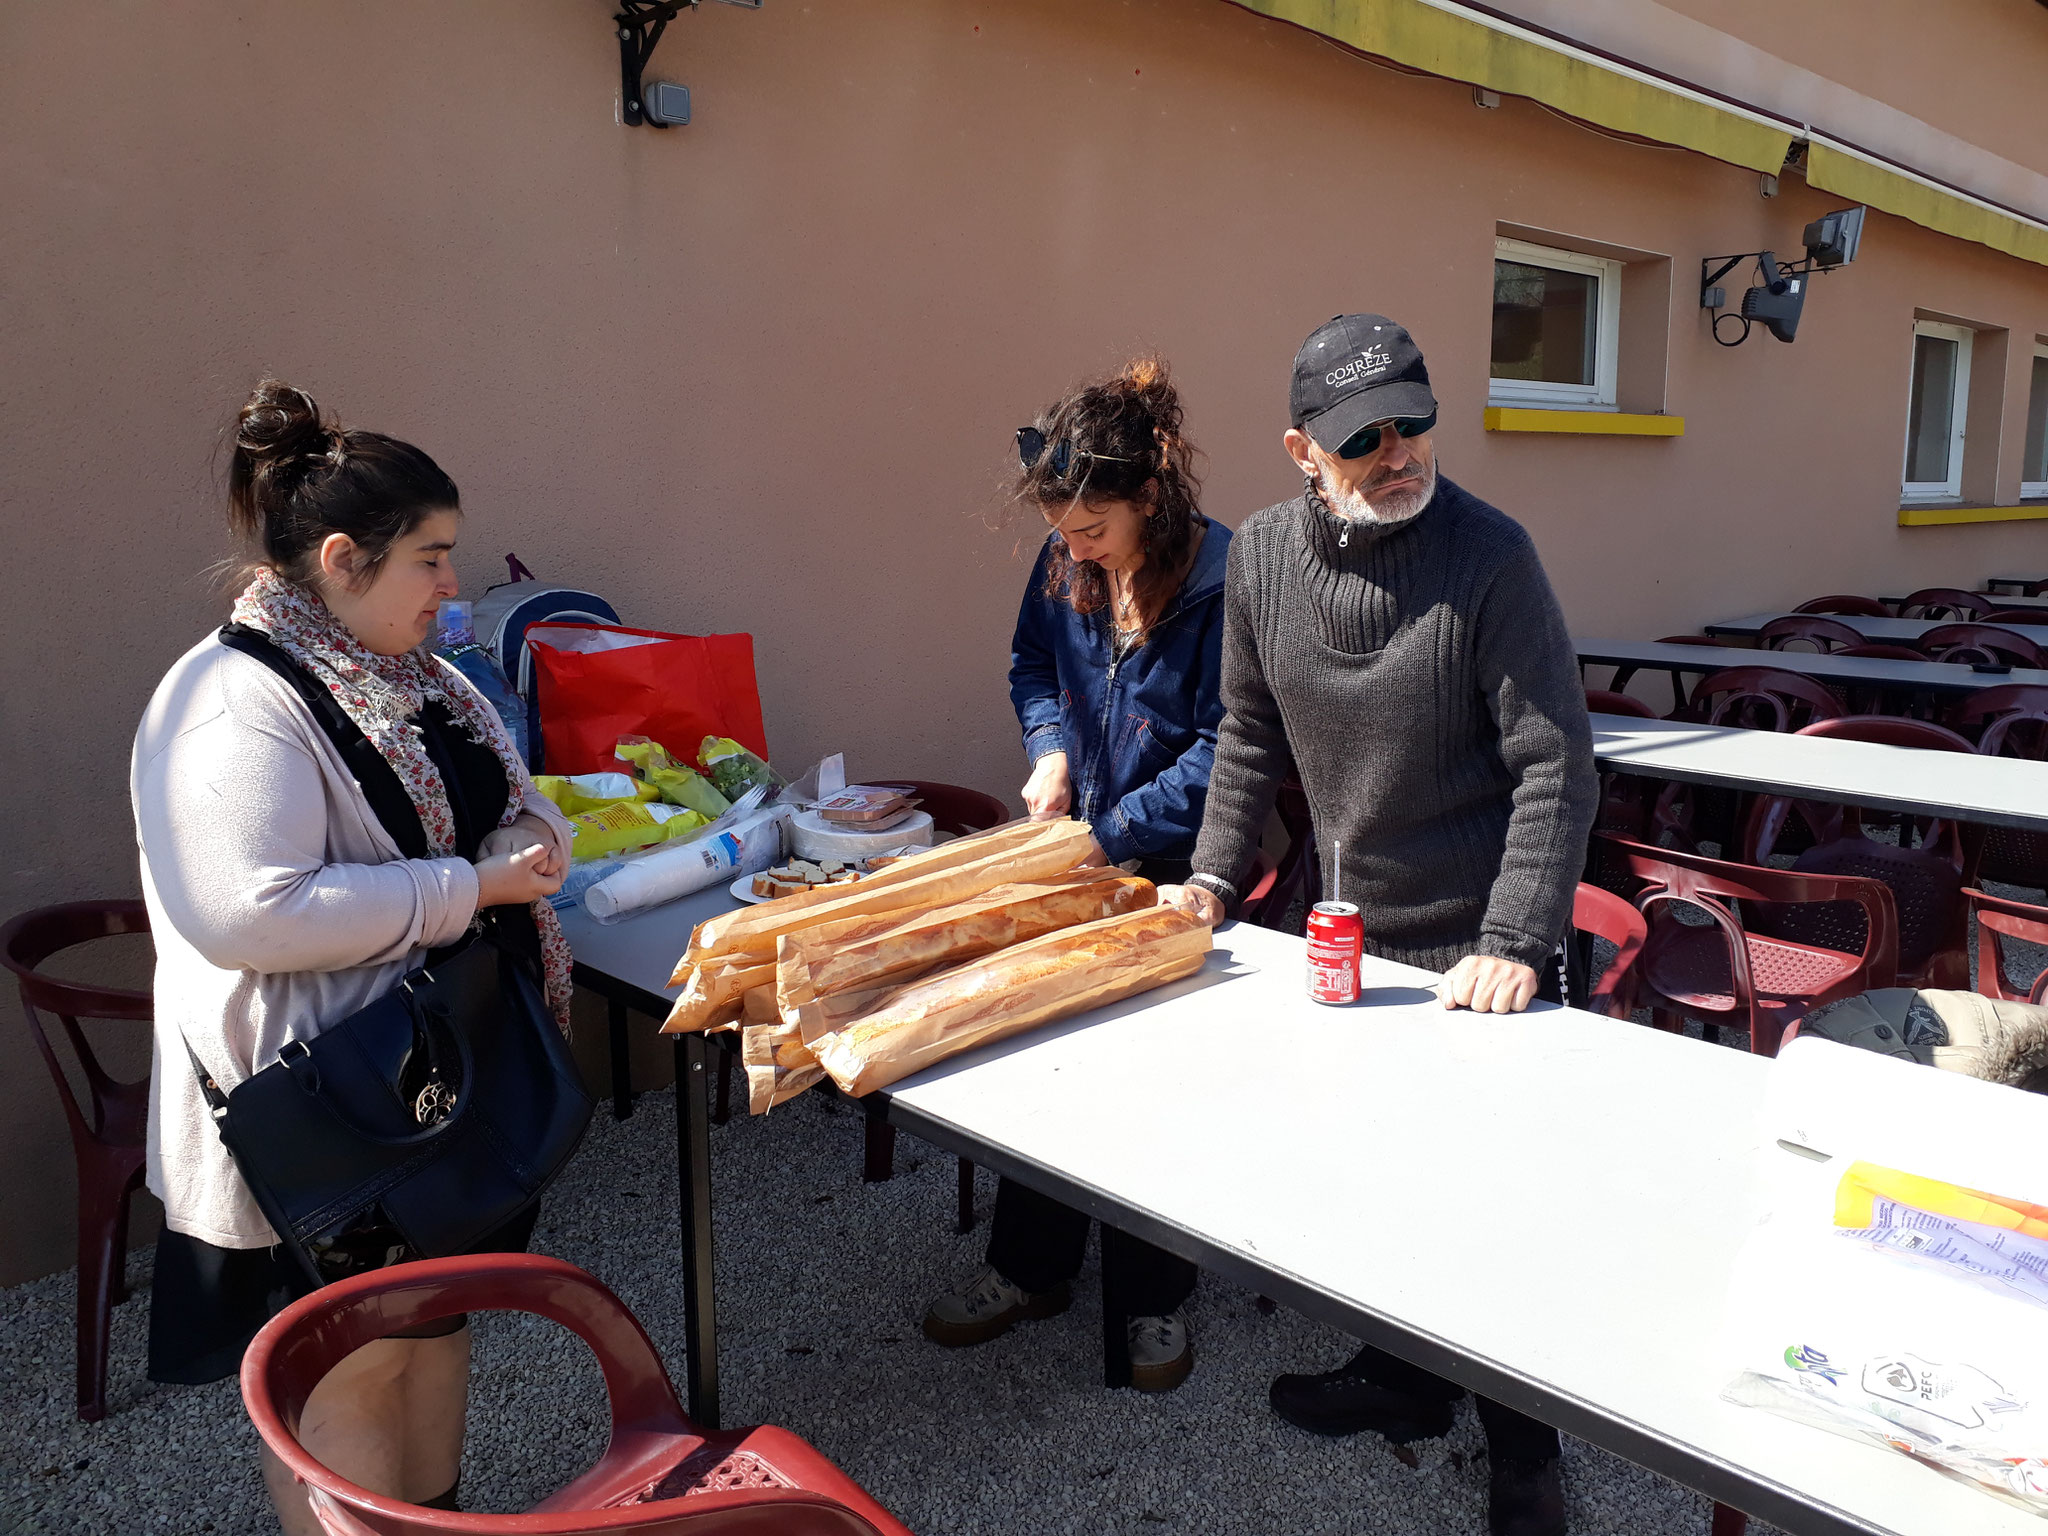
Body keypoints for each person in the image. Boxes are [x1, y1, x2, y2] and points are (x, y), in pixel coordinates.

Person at [1158, 315, 1597, 1536]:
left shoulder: (1490, 557)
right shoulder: (1254, 559)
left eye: (1410, 424)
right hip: (1344, 924)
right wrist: (1208, 877)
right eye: (1363, 442)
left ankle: (1524, 1446)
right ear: (1303, 452)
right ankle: (1404, 1380)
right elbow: (1244, 735)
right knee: (1365, 1181)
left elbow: (1555, 761)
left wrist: (1512, 940)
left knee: (1492, 1212)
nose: (1398, 453)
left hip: (1475, 939)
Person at [132, 381, 573, 1532]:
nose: (449, 586)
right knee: (346, 1370)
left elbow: (516, 804)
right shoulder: (235, 703)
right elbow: (245, 912)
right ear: (340, 557)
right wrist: (469, 887)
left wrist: (526, 843)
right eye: (430, 558)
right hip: (327, 1114)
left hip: (433, 1090)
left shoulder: (414, 678)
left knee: (431, 1334)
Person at [921, 358, 1231, 1391]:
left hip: (1183, 868)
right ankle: (1028, 1269)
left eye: (1093, 531)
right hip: (1084, 848)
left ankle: (1154, 1298)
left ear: (1149, 498)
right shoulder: (1063, 565)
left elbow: (1232, 750)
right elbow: (1028, 666)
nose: (1076, 552)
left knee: (1154, 1085)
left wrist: (1116, 828)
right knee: (1043, 1059)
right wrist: (1050, 745)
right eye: (1062, 533)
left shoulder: (1225, 580)